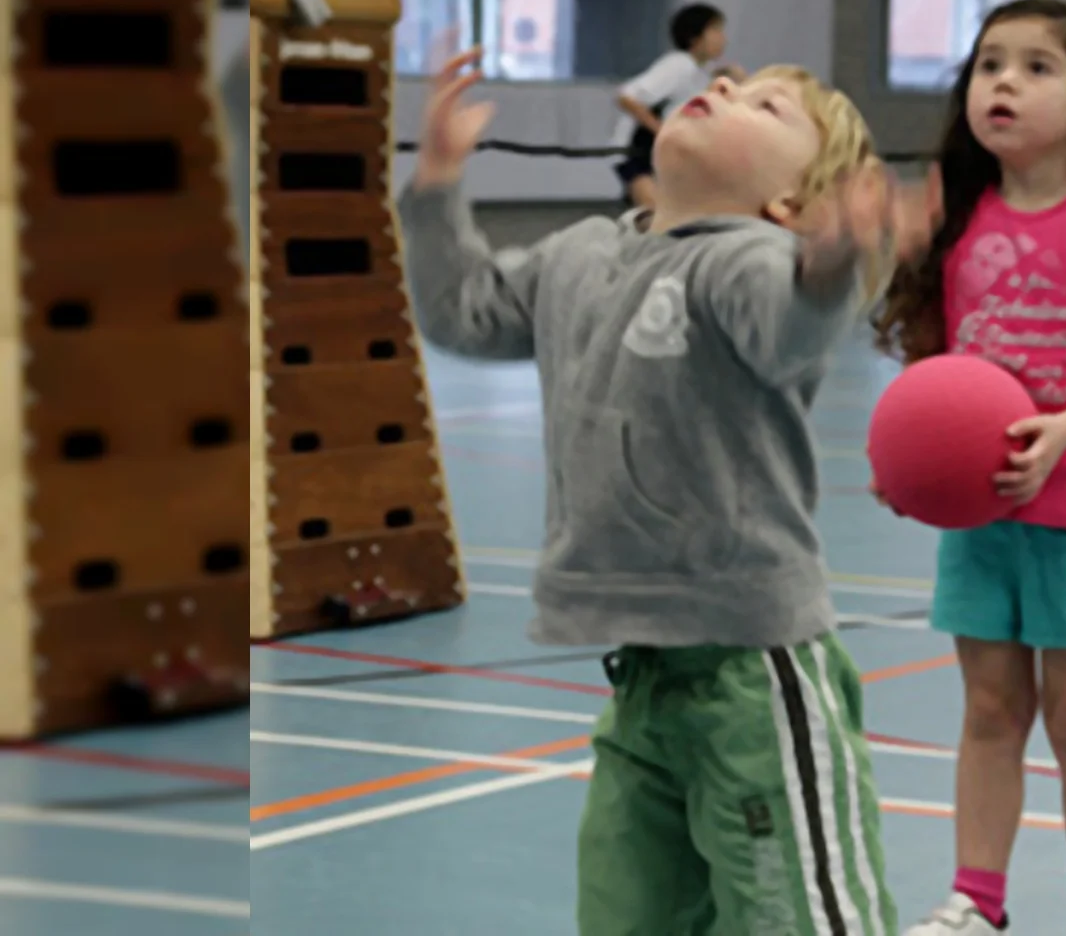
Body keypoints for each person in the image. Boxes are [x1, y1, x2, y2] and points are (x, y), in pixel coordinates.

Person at [399, 46, 938, 935]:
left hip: (751, 669)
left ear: (790, 205)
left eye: (764, 107)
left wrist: (831, 262)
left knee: (796, 917)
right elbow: (464, 310)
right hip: (642, 680)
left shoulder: (746, 259)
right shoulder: (581, 253)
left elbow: (788, 328)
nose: (722, 87)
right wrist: (436, 187)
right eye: (730, 83)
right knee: (627, 914)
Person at [871, 0, 1066, 936]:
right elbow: (938, 368)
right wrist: (907, 457)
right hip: (985, 520)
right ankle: (976, 900)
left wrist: (1064, 431)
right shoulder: (959, 219)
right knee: (989, 710)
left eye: (1035, 67)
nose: (1003, 81)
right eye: (988, 64)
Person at [612, 2, 743, 209]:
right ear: (694, 37)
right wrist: (662, 131)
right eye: (716, 31)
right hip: (637, 152)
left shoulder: (702, 70)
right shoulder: (678, 64)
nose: (723, 39)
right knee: (656, 219)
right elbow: (626, 98)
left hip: (665, 156)